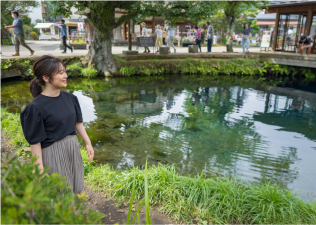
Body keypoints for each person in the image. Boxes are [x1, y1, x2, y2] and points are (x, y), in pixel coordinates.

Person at [20, 55, 94, 196]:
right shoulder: (35, 108)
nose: (65, 75)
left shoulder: (70, 98)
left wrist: (88, 143)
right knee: (59, 194)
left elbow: (77, 123)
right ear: (46, 78)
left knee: (76, 188)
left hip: (72, 147)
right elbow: (35, 143)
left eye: (64, 71)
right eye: (60, 73)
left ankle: (72, 216)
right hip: (53, 152)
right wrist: (40, 172)